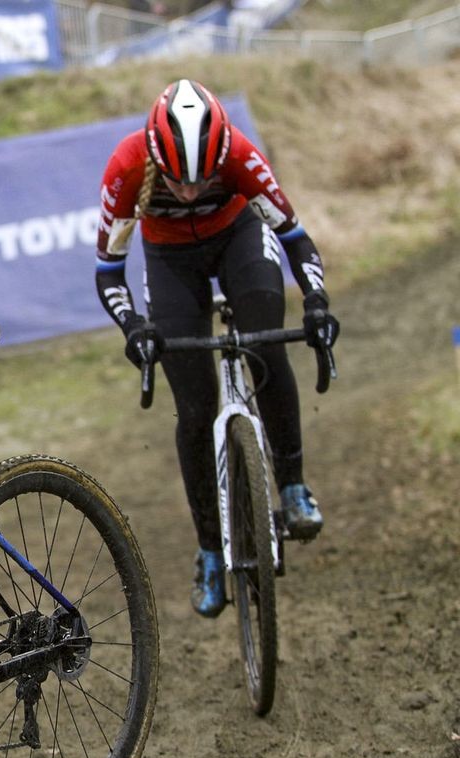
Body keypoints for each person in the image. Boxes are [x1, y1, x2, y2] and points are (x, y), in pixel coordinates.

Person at [94, 78, 340, 617]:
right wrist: (134, 325)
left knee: (266, 344)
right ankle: (209, 548)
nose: (188, 191)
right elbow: (110, 271)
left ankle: (294, 486)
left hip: (238, 243)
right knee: (196, 407)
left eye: (202, 178)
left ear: (221, 155)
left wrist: (317, 300)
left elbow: (295, 238)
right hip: (170, 262)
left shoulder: (241, 157)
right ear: (156, 157)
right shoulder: (127, 166)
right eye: (177, 181)